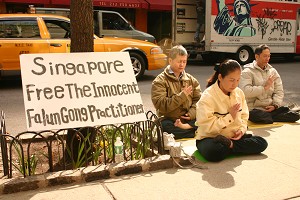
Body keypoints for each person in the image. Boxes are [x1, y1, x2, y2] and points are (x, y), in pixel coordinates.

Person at [195, 59, 268, 162]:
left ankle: (231, 145)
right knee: (214, 152)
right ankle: (236, 147)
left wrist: (241, 131)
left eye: (238, 80)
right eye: (231, 80)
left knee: (262, 143)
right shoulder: (207, 97)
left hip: (233, 138)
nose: (235, 84)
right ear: (220, 77)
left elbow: (244, 116)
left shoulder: (239, 93)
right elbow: (207, 127)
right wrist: (229, 117)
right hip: (211, 138)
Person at [239, 44, 300, 124]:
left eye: (269, 56)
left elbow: (279, 91)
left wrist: (275, 105)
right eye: (265, 56)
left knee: (295, 115)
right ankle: (271, 117)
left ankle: (270, 116)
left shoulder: (273, 71)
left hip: (271, 109)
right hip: (254, 109)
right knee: (258, 115)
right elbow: (245, 91)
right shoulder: (247, 72)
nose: (267, 59)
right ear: (257, 57)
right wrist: (264, 87)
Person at [151, 45, 201, 139]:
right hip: (169, 119)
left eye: (184, 61)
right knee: (166, 127)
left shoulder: (191, 80)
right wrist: (182, 96)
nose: (182, 65)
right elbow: (161, 104)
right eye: (179, 61)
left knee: (205, 119)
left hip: (188, 120)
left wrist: (191, 114)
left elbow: (199, 101)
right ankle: (193, 131)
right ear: (170, 61)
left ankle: (189, 129)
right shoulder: (160, 81)